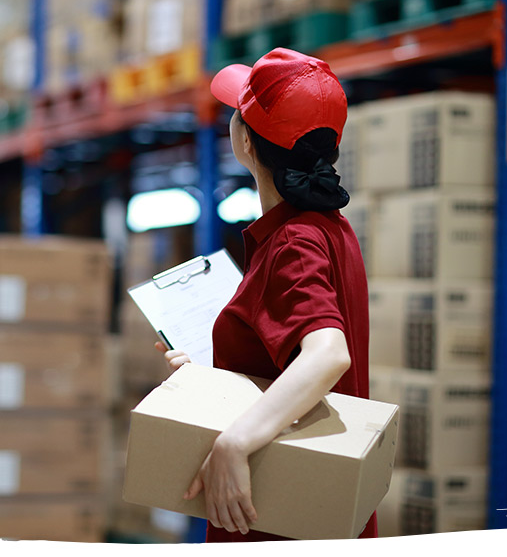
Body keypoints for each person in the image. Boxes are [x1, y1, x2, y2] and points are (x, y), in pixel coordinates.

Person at [154, 47, 377, 542]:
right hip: (314, 502)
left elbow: (326, 356)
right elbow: (285, 364)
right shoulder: (329, 230)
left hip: (278, 513)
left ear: (247, 142)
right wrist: (206, 381)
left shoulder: (293, 244)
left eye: (237, 113)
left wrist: (235, 442)